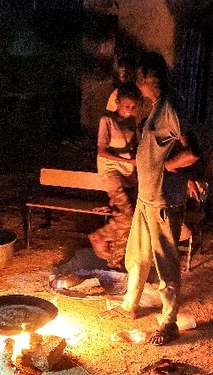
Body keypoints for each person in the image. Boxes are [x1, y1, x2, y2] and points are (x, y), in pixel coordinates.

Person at [106, 52, 200, 345]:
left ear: (149, 78)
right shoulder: (157, 108)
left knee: (165, 261)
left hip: (162, 200)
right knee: (139, 255)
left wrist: (171, 167)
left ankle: (168, 321)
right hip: (148, 197)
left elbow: (194, 150)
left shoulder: (172, 107)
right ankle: (129, 305)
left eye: (139, 76)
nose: (136, 81)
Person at [89, 82, 140, 269]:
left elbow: (131, 149)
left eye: (134, 107)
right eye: (127, 106)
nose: (130, 110)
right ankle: (98, 236)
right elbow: (101, 151)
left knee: (127, 218)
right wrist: (128, 162)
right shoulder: (107, 120)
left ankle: (116, 261)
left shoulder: (131, 123)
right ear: (117, 103)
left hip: (128, 174)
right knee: (127, 216)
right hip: (111, 170)